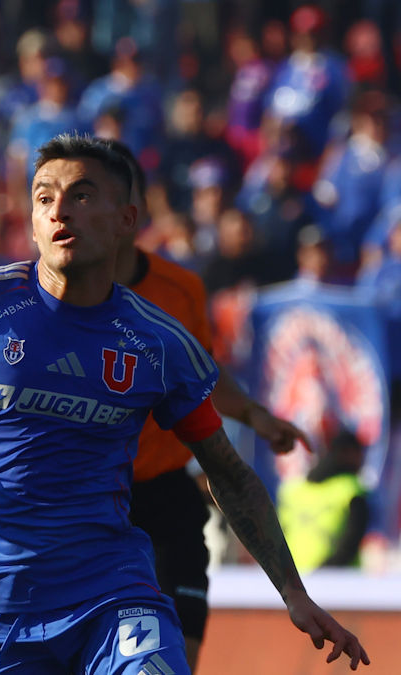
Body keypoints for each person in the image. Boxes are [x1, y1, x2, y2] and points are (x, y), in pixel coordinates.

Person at [0, 134, 368, 674]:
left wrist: (294, 595)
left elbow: (227, 472)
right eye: (44, 198)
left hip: (114, 596)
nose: (59, 211)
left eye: (82, 196)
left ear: (127, 219)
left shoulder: (157, 340)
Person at [107, 138, 311, 671]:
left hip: (164, 490)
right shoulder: (41, 296)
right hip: (90, 496)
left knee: (177, 651)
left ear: (135, 211)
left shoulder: (180, 289)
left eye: (105, 197)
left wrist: (255, 416)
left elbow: (199, 376)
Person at [278, 429, 370, 574]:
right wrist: (322, 575)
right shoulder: (352, 489)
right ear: (350, 454)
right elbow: (350, 544)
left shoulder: (292, 491)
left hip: (294, 581)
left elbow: (277, 540)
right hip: (337, 583)